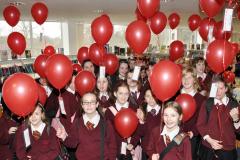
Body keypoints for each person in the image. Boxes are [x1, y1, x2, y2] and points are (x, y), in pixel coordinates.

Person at [57, 92, 117, 160]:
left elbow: (112, 147)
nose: (89, 105)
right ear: (82, 105)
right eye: (86, 102)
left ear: (97, 104)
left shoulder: (106, 123)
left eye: (92, 102)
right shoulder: (77, 123)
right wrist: (64, 136)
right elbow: (73, 143)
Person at [197, 78, 240, 160]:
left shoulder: (234, 104)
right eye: (215, 88)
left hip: (228, 149)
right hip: (208, 148)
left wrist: (236, 120)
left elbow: (238, 130)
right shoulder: (207, 103)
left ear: (226, 89)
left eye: (221, 88)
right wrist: (210, 140)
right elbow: (200, 124)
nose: (218, 91)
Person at [105, 81, 141, 160]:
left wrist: (132, 143)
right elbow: (108, 133)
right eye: (120, 93)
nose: (123, 97)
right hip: (115, 150)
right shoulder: (109, 111)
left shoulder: (134, 109)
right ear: (115, 94)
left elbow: (138, 129)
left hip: (131, 150)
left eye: (126, 94)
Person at [181, 67, 206, 159]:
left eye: (189, 77)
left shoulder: (200, 99)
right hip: (172, 135)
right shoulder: (175, 96)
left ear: (194, 80)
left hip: (190, 137)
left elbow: (201, 120)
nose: (186, 80)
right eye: (184, 77)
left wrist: (193, 132)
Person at [140, 89, 162, 160]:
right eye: (148, 96)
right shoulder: (142, 112)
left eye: (153, 96)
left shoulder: (164, 111)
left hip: (161, 147)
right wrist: (141, 121)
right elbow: (139, 133)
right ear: (145, 98)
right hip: (147, 148)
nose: (151, 98)